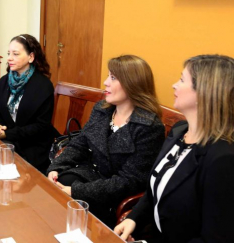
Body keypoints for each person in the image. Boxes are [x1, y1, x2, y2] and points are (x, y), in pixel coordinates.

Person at [114, 54, 234, 243]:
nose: (174, 85)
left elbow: (215, 239)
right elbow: (155, 187)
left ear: (204, 92)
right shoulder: (179, 131)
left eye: (181, 79)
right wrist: (133, 218)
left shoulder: (223, 158)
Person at [46, 55, 165, 228]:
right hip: (91, 176)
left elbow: (129, 181)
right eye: (108, 76)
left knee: (70, 200)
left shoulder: (149, 126)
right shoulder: (102, 110)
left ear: (133, 83)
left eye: (113, 78)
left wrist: (76, 191)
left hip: (117, 195)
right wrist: (56, 167)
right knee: (57, 184)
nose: (105, 82)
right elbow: (81, 143)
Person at [0, 34, 59, 174]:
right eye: (9, 53)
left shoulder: (43, 86)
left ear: (31, 57)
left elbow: (41, 127)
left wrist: (7, 134)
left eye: (15, 54)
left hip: (34, 145)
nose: (9, 58)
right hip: (9, 142)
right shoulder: (2, 83)